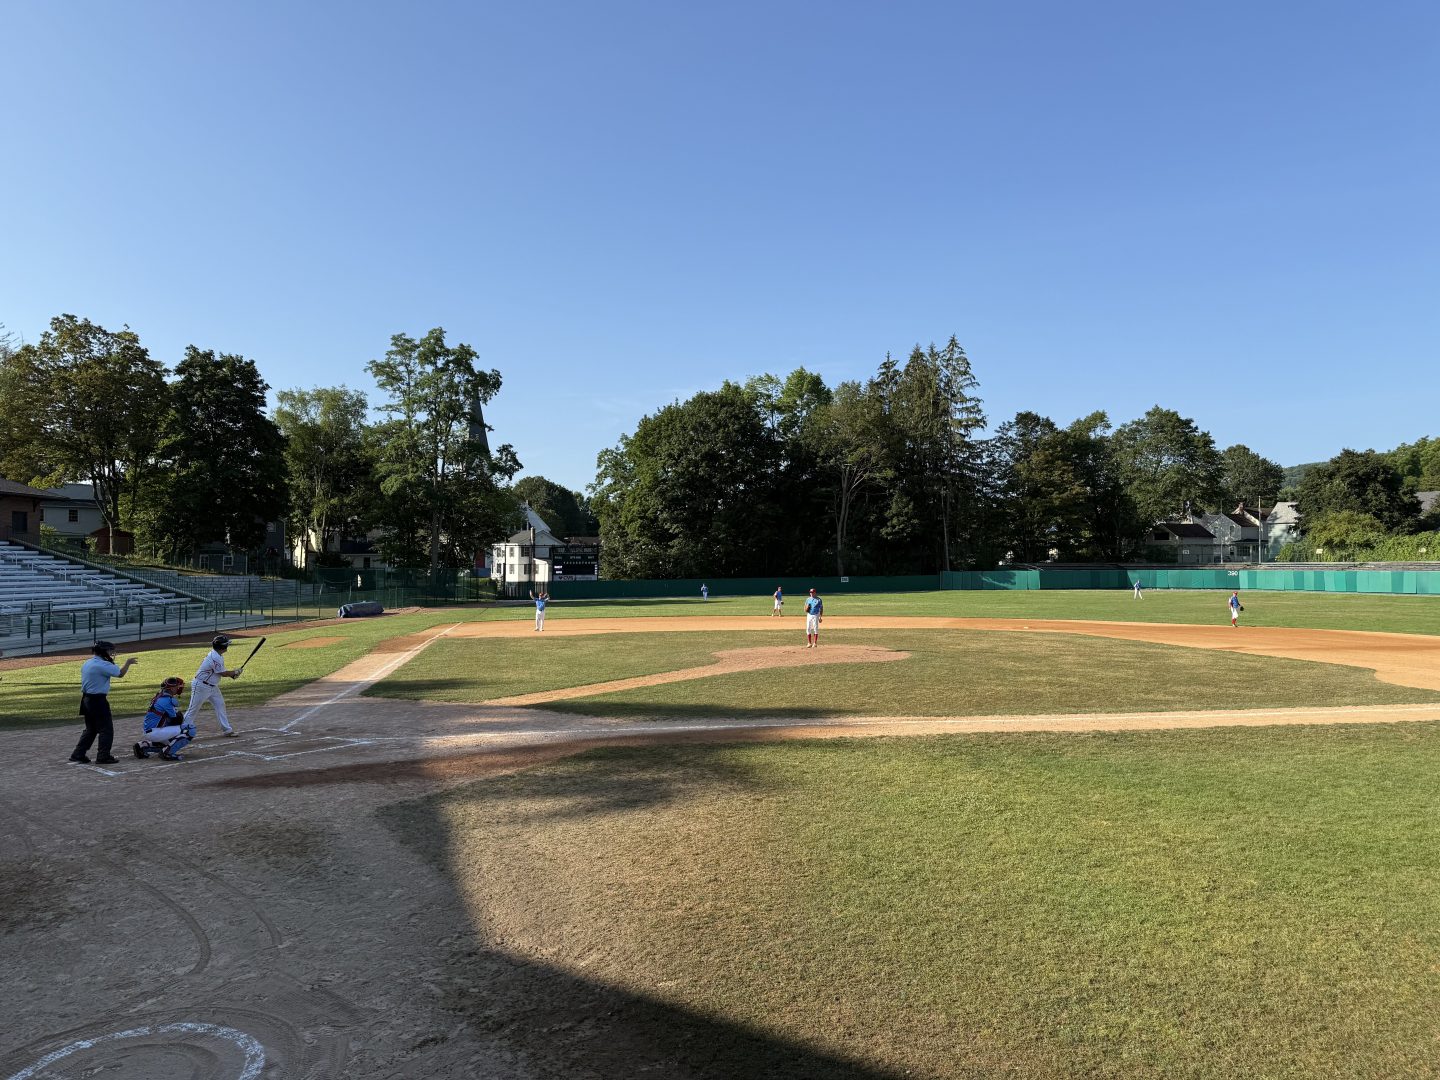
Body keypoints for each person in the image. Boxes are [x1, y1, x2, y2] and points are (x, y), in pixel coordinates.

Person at [69, 641, 138, 764]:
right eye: (110, 651)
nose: (112, 653)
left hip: (86, 700)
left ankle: (78, 754)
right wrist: (128, 663)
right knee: (106, 729)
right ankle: (103, 756)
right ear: (103, 651)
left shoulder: (88, 662)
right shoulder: (102, 665)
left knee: (91, 729)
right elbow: (120, 674)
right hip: (98, 700)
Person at [186, 634, 240, 736]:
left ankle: (227, 730)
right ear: (223, 646)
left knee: (220, 705)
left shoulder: (217, 655)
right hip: (201, 686)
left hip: (212, 686)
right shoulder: (215, 657)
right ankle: (180, 731)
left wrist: (234, 674)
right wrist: (234, 672)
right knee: (192, 710)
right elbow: (223, 673)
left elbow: (219, 672)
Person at [134, 677, 196, 761]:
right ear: (171, 688)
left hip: (150, 730)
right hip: (155, 732)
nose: (179, 688)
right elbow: (177, 720)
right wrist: (178, 714)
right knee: (190, 729)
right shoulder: (167, 700)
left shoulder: (159, 696)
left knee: (170, 743)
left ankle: (142, 747)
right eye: (177, 686)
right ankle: (167, 753)